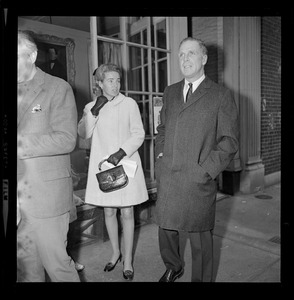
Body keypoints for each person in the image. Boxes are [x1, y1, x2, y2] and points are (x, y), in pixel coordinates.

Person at [154, 37, 239, 282]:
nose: (185, 59)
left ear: (203, 59)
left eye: (191, 53)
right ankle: (173, 265)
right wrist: (161, 154)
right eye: (181, 54)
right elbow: (162, 128)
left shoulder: (220, 95)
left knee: (200, 239)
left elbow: (229, 141)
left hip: (197, 178)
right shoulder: (170, 92)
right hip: (169, 174)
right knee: (166, 229)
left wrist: (205, 171)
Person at [17, 31, 80, 282]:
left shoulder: (57, 88)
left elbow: (67, 139)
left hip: (47, 199)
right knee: (27, 271)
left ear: (31, 56)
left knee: (58, 268)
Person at [78, 63, 148, 281]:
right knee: (109, 212)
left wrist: (121, 152)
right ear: (99, 83)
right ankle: (115, 252)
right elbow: (83, 133)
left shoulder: (129, 104)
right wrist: (95, 110)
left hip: (125, 164)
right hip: (105, 169)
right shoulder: (91, 106)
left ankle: (127, 259)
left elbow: (138, 134)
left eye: (118, 80)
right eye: (110, 80)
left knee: (127, 212)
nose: (116, 84)